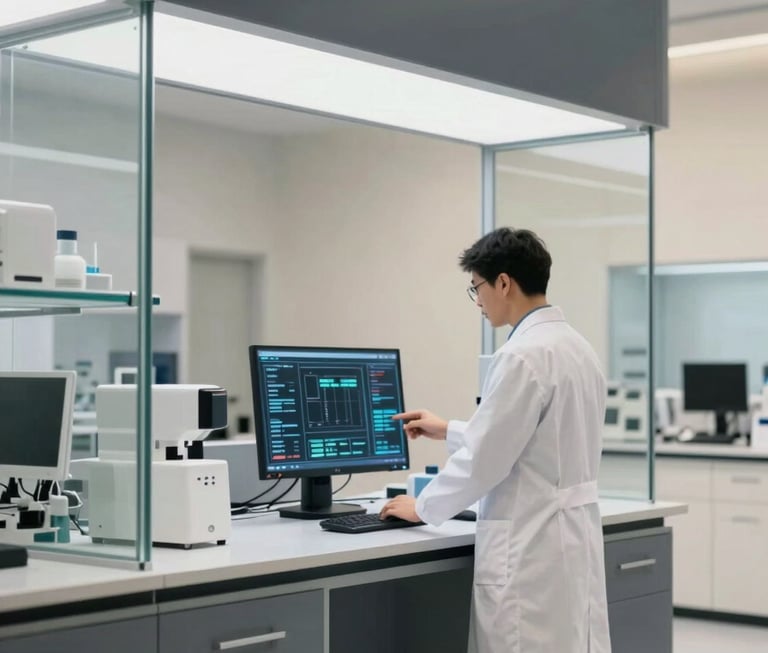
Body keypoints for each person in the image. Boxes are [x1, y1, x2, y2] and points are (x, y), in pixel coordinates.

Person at [380, 227, 611, 653]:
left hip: (532, 545)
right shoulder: (577, 347)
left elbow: (487, 460)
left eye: (477, 288)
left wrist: (424, 507)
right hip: (569, 539)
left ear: (503, 282)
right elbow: (538, 440)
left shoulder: (521, 355)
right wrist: (449, 428)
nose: (479, 302)